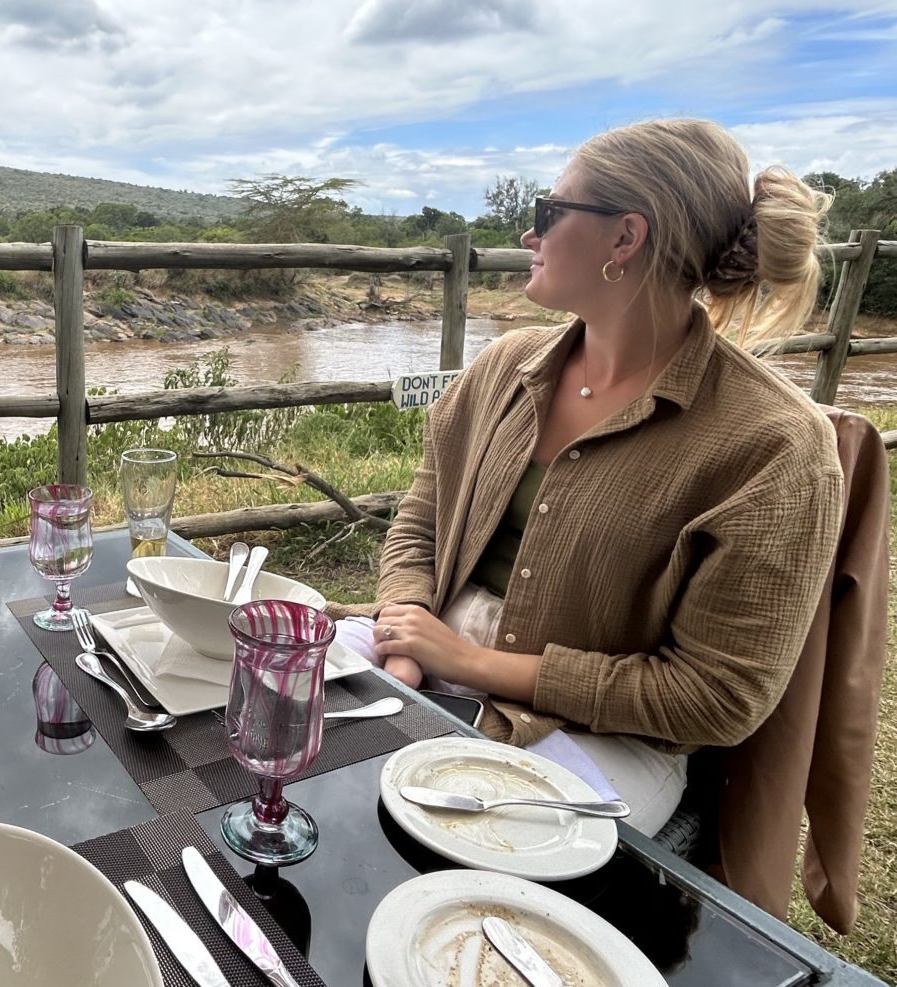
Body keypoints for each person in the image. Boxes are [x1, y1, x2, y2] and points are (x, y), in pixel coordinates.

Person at [343, 119, 844, 835]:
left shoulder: (777, 445)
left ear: (625, 238)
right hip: (426, 649)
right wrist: (404, 638)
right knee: (259, 704)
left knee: (460, 849)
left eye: (550, 212)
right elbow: (421, 517)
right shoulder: (504, 366)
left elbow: (719, 695)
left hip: (604, 736)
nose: (529, 235)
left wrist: (473, 663)